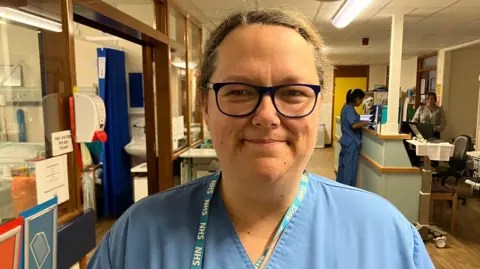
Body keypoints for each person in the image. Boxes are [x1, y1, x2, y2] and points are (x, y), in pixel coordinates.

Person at [87, 9, 434, 269]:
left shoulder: (385, 237)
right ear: (204, 107)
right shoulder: (137, 238)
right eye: (238, 91)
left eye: (293, 92)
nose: (267, 116)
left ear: (318, 107)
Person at [336, 89, 369, 187]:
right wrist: (366, 123)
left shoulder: (347, 108)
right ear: (357, 98)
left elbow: (357, 118)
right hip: (351, 142)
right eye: (361, 100)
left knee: (344, 167)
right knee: (349, 169)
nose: (361, 102)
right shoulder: (349, 109)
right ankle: (348, 190)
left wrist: (368, 117)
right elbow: (354, 125)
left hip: (347, 141)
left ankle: (341, 188)